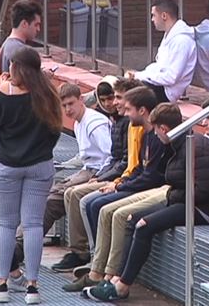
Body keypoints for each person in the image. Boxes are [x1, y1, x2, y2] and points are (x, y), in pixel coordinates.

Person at [86, 114, 209, 302]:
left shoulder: (196, 147)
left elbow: (204, 191)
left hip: (203, 209)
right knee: (132, 219)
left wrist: (172, 195)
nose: (155, 135)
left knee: (144, 225)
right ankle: (116, 278)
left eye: (156, 130)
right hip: (183, 200)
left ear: (164, 129)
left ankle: (122, 287)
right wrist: (173, 195)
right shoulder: (179, 145)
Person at [63, 103, 182, 292]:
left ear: (143, 110)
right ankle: (95, 265)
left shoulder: (172, 141)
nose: (121, 109)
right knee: (88, 201)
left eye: (127, 108)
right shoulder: (142, 132)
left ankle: (109, 275)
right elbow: (133, 166)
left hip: (160, 191)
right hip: (138, 183)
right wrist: (118, 181)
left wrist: (118, 184)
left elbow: (152, 177)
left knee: (111, 211)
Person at [0, 47, 62, 304]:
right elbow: (55, 130)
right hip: (40, 165)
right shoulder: (48, 93)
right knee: (32, 225)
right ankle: (32, 287)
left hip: (7, 165)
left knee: (6, 224)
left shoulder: (5, 92)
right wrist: (41, 150)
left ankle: (2, 284)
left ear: (15, 67)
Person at [53, 78, 145, 275]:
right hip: (111, 174)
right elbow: (118, 158)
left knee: (83, 198)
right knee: (63, 191)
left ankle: (92, 257)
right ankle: (84, 254)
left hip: (119, 177)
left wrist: (108, 179)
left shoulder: (115, 123)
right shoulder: (123, 123)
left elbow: (124, 162)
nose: (112, 103)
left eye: (117, 98)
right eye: (110, 98)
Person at [42, 83, 111, 246]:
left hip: (98, 172)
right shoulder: (78, 123)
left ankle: (78, 249)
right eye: (64, 105)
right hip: (87, 170)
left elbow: (110, 154)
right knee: (48, 196)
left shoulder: (95, 123)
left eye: (71, 104)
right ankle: (18, 245)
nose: (67, 110)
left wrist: (99, 177)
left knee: (56, 199)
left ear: (81, 100)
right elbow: (84, 156)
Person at [126, 0, 197, 103]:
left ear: (164, 16)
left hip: (166, 93)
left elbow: (171, 77)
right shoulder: (170, 35)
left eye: (154, 15)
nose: (152, 19)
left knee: (125, 93)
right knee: (118, 84)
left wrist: (139, 76)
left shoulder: (181, 41)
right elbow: (159, 66)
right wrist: (139, 75)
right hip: (159, 86)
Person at [0, 0, 43, 73]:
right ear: (24, 24)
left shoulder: (6, 45)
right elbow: (28, 82)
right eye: (36, 25)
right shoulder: (22, 52)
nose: (38, 29)